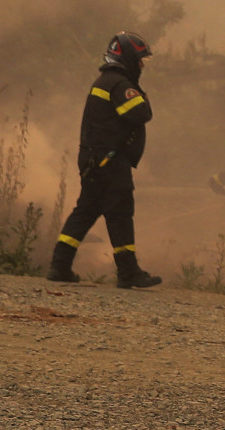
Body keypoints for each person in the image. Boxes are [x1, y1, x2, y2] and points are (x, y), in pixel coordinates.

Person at [47, 31, 162, 290]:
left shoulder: (104, 81)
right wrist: (142, 95)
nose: (142, 65)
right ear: (129, 59)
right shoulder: (120, 85)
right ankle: (128, 272)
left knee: (86, 210)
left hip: (93, 159)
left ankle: (60, 264)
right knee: (120, 213)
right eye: (140, 60)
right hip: (110, 162)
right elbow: (141, 114)